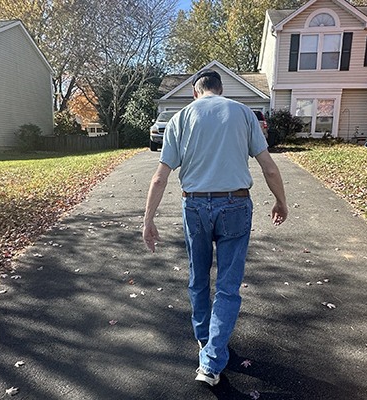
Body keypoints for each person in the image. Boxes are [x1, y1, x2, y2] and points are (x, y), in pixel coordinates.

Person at [142, 68, 287, 386]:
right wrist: (281, 201)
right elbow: (269, 168)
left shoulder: (180, 118)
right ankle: (210, 362)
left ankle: (204, 339)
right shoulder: (244, 113)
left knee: (198, 277)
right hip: (235, 203)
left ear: (196, 92)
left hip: (194, 205)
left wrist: (148, 219)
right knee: (228, 286)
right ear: (220, 90)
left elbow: (160, 176)